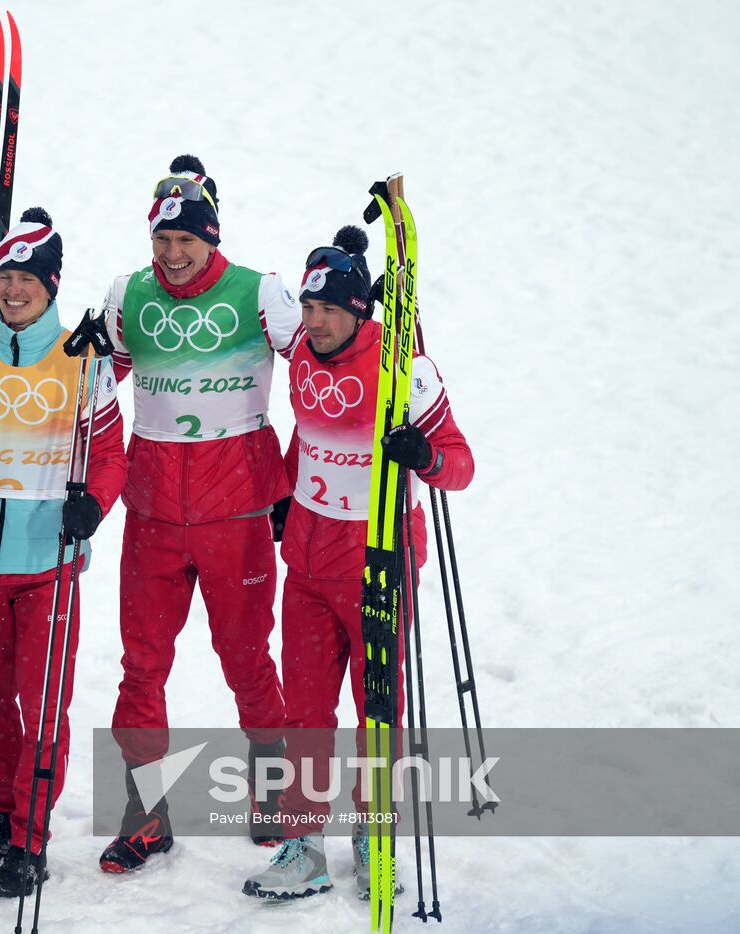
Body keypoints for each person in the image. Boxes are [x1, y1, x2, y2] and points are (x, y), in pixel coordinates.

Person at [242, 225, 474, 901]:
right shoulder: (303, 363)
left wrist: (421, 456)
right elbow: (307, 440)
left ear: (358, 313)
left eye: (328, 313)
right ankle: (303, 845)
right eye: (308, 311)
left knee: (380, 710)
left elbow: (459, 466)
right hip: (308, 565)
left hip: (377, 566)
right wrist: (287, 496)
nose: (313, 324)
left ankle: (376, 835)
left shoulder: (405, 372)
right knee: (306, 713)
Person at [98, 155, 305, 872]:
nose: (173, 255)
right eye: (162, 241)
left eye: (186, 240)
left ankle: (270, 791)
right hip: (153, 510)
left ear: (212, 238)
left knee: (246, 660)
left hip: (235, 511)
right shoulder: (127, 293)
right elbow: (93, 379)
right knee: (141, 666)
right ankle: (146, 813)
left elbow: (319, 367)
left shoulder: (261, 292)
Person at [0, 208, 129, 898]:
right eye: (4, 277)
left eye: (26, 278)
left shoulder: (80, 358)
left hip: (47, 564)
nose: (13, 290)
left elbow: (110, 452)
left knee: (42, 706)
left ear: (50, 284)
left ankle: (31, 838)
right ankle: (2, 819)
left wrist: (95, 503)